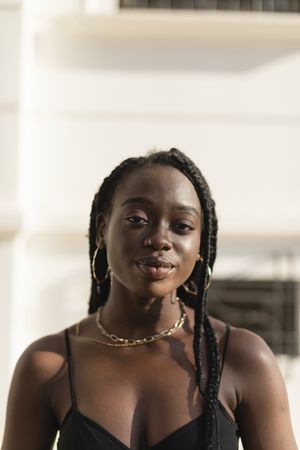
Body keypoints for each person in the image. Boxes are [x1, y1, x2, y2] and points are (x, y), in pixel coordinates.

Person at [1, 148, 297, 450]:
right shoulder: (49, 364)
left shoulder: (240, 357)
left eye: (181, 226)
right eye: (137, 219)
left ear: (200, 246)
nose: (159, 239)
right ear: (103, 229)